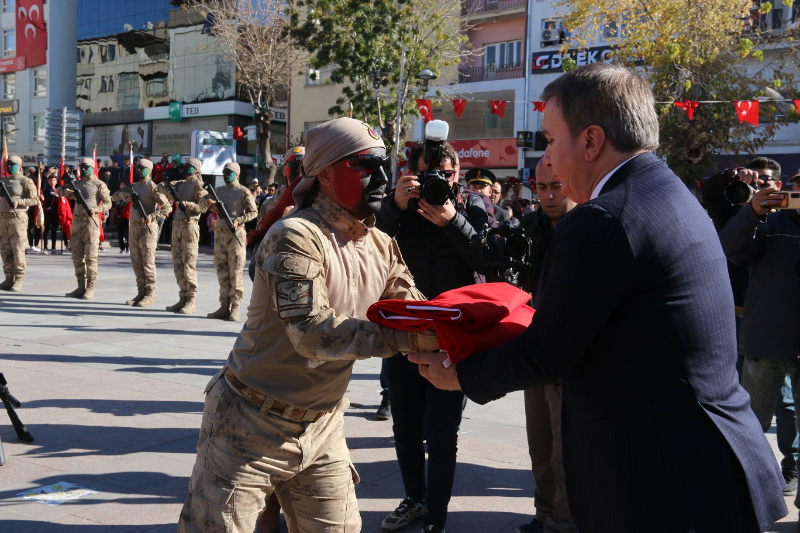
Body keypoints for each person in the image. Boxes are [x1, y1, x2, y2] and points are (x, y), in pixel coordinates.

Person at [410, 63, 787, 533]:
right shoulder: (664, 189)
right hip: (704, 468)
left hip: (666, 484)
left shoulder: (606, 218)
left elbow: (548, 352)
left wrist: (460, 374)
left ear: (590, 141)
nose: (546, 159)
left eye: (550, 139)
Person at [177, 117, 439, 533]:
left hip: (322, 426)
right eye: (366, 166)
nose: (383, 178)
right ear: (328, 174)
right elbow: (312, 332)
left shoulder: (381, 243)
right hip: (247, 424)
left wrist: (463, 326)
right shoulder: (295, 235)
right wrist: (409, 336)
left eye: (383, 165)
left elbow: (413, 310)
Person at [375, 140, 488, 533]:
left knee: (442, 434)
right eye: (429, 174)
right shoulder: (400, 210)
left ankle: (436, 518)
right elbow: (370, 249)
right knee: (405, 428)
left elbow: (486, 259)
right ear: (414, 174)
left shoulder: (472, 207)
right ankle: (414, 499)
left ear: (457, 173)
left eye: (447, 173)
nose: (439, 180)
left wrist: (451, 220)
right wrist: (394, 204)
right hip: (405, 331)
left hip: (452, 337)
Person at [700, 157, 798, 493]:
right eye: (798, 184)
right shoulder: (757, 214)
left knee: (788, 412)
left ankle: (790, 471)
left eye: (771, 181)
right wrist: (748, 202)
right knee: (745, 415)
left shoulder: (779, 220)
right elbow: (731, 243)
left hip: (773, 332)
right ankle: (748, 487)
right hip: (753, 333)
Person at [515, 160, 577, 533]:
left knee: (563, 451)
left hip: (565, 354)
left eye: (556, 186)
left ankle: (564, 521)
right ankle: (543, 513)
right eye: (540, 188)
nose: (549, 195)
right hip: (531, 345)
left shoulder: (585, 227)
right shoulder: (530, 226)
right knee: (539, 443)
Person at [111, 158, 172, 307]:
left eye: (142, 168)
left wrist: (153, 216)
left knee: (148, 262)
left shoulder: (154, 188)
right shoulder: (133, 187)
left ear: (150, 171)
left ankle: (150, 294)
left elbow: (167, 207)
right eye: (138, 168)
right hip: (134, 228)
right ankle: (140, 292)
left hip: (148, 229)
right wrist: (126, 195)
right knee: (137, 262)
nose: (139, 171)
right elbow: (114, 197)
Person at [204, 162, 257, 322]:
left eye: (229, 172)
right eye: (224, 172)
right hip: (219, 235)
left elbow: (253, 212)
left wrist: (238, 220)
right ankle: (223, 307)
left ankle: (235, 308)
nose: (226, 175)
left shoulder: (243, 191)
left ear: (237, 174)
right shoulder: (218, 191)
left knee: (235, 273)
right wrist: (209, 205)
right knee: (222, 272)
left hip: (235, 235)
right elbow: (203, 202)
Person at [158, 157, 208, 315]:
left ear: (196, 169)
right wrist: (168, 192)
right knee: (178, 265)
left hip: (190, 227)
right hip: (177, 227)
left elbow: (203, 207)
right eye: (185, 165)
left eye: (189, 166)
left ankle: (191, 300)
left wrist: (186, 204)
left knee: (188, 265)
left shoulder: (199, 185)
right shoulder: (179, 184)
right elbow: (159, 186)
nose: (186, 168)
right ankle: (182, 297)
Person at [57, 157, 112, 300]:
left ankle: (90, 288)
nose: (83, 169)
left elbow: (108, 203)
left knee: (91, 258)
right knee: (77, 257)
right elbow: (59, 191)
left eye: (86, 167)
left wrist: (96, 209)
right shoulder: (76, 183)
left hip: (90, 224)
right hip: (76, 224)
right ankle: (80, 287)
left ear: (93, 168)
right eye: (82, 167)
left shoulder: (99, 184)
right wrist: (68, 192)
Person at [0, 155, 38, 291]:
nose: (9, 167)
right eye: (8, 164)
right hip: (2, 219)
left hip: (18, 219)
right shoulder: (2, 180)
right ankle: (8, 278)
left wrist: (18, 202)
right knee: (5, 249)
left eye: (12, 164)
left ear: (20, 167)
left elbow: (34, 200)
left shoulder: (25, 181)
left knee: (18, 248)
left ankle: (19, 279)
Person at [42, 172, 60, 254]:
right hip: (48, 212)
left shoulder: (58, 190)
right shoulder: (47, 190)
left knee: (54, 230)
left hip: (56, 213)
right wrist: (47, 175)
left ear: (56, 181)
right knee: (46, 230)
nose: (52, 182)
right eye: (50, 180)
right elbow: (43, 186)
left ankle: (53, 248)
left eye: (54, 180)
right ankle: (45, 247)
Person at [113, 181, 131, 254]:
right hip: (119, 215)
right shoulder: (117, 193)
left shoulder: (128, 193)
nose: (122, 185)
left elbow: (128, 201)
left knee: (128, 233)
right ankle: (122, 248)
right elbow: (114, 200)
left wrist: (124, 203)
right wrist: (119, 203)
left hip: (126, 215)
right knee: (120, 233)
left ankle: (128, 247)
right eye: (121, 184)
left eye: (124, 184)